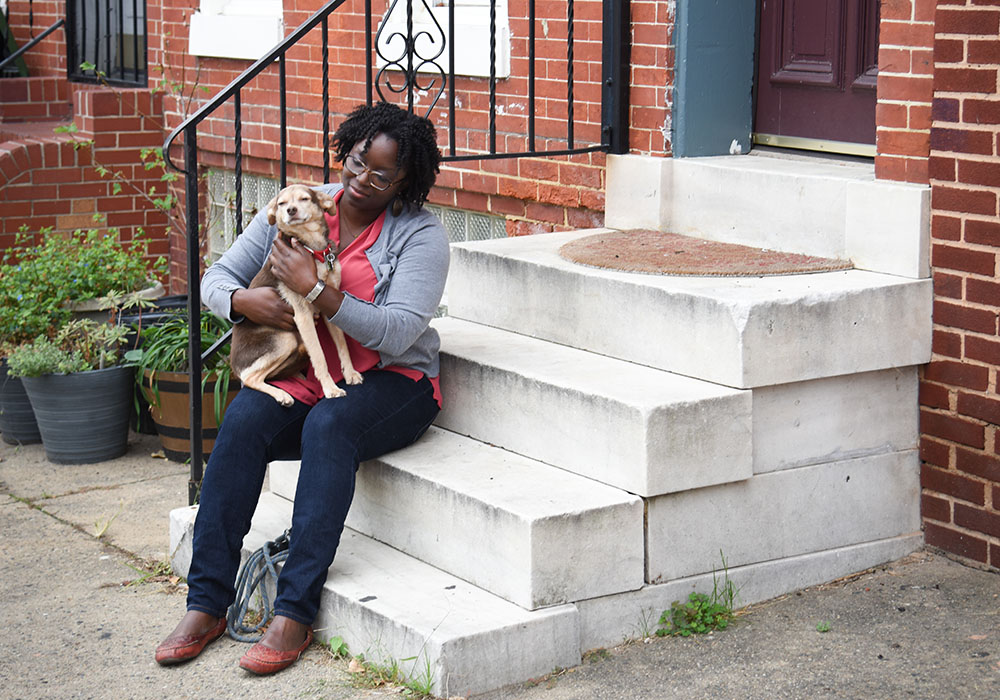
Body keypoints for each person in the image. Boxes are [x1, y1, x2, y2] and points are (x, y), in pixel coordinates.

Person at [154, 102, 448, 674]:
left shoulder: (421, 235)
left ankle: (294, 611)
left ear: (406, 180)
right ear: (347, 151)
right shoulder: (302, 204)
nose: (361, 180)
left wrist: (316, 290)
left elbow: (399, 330)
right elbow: (217, 277)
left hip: (394, 381)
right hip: (310, 374)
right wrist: (242, 301)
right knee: (242, 418)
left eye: (382, 175)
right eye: (358, 162)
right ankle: (206, 600)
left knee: (331, 424)